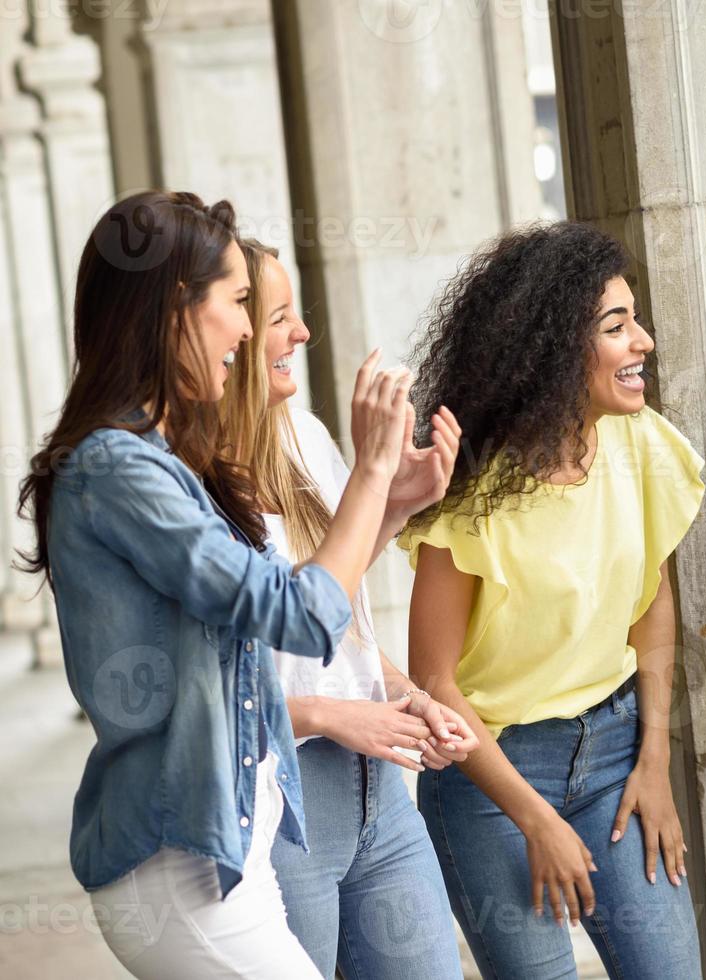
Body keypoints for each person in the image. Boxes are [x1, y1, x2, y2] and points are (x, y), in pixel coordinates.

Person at [16, 192, 442, 978]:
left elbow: (263, 641)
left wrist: (392, 498)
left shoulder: (154, 458)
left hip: (227, 855)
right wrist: (374, 472)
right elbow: (296, 614)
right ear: (175, 307)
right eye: (241, 302)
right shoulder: (118, 467)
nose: (250, 331)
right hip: (178, 872)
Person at [399, 221, 705, 978]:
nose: (643, 343)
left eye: (633, 320)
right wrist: (532, 817)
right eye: (616, 326)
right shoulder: (467, 494)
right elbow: (434, 686)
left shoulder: (641, 447)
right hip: (492, 778)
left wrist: (654, 761)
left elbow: (651, 604)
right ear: (550, 347)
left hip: (615, 758)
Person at [218, 238, 473, 978]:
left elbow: (337, 626)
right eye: (278, 317)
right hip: (284, 801)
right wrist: (332, 717)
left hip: (380, 794)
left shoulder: (304, 435)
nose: (301, 334)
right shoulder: (185, 486)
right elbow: (213, 691)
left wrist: (408, 698)